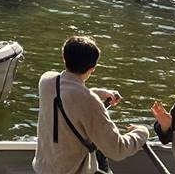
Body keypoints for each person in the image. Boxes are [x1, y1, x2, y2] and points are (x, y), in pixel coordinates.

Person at [34, 35, 148, 174]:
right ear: (93, 68)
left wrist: (99, 93)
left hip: (43, 169)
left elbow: (69, 93)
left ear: (63, 56)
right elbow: (117, 150)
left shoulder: (46, 80)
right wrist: (141, 132)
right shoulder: (91, 103)